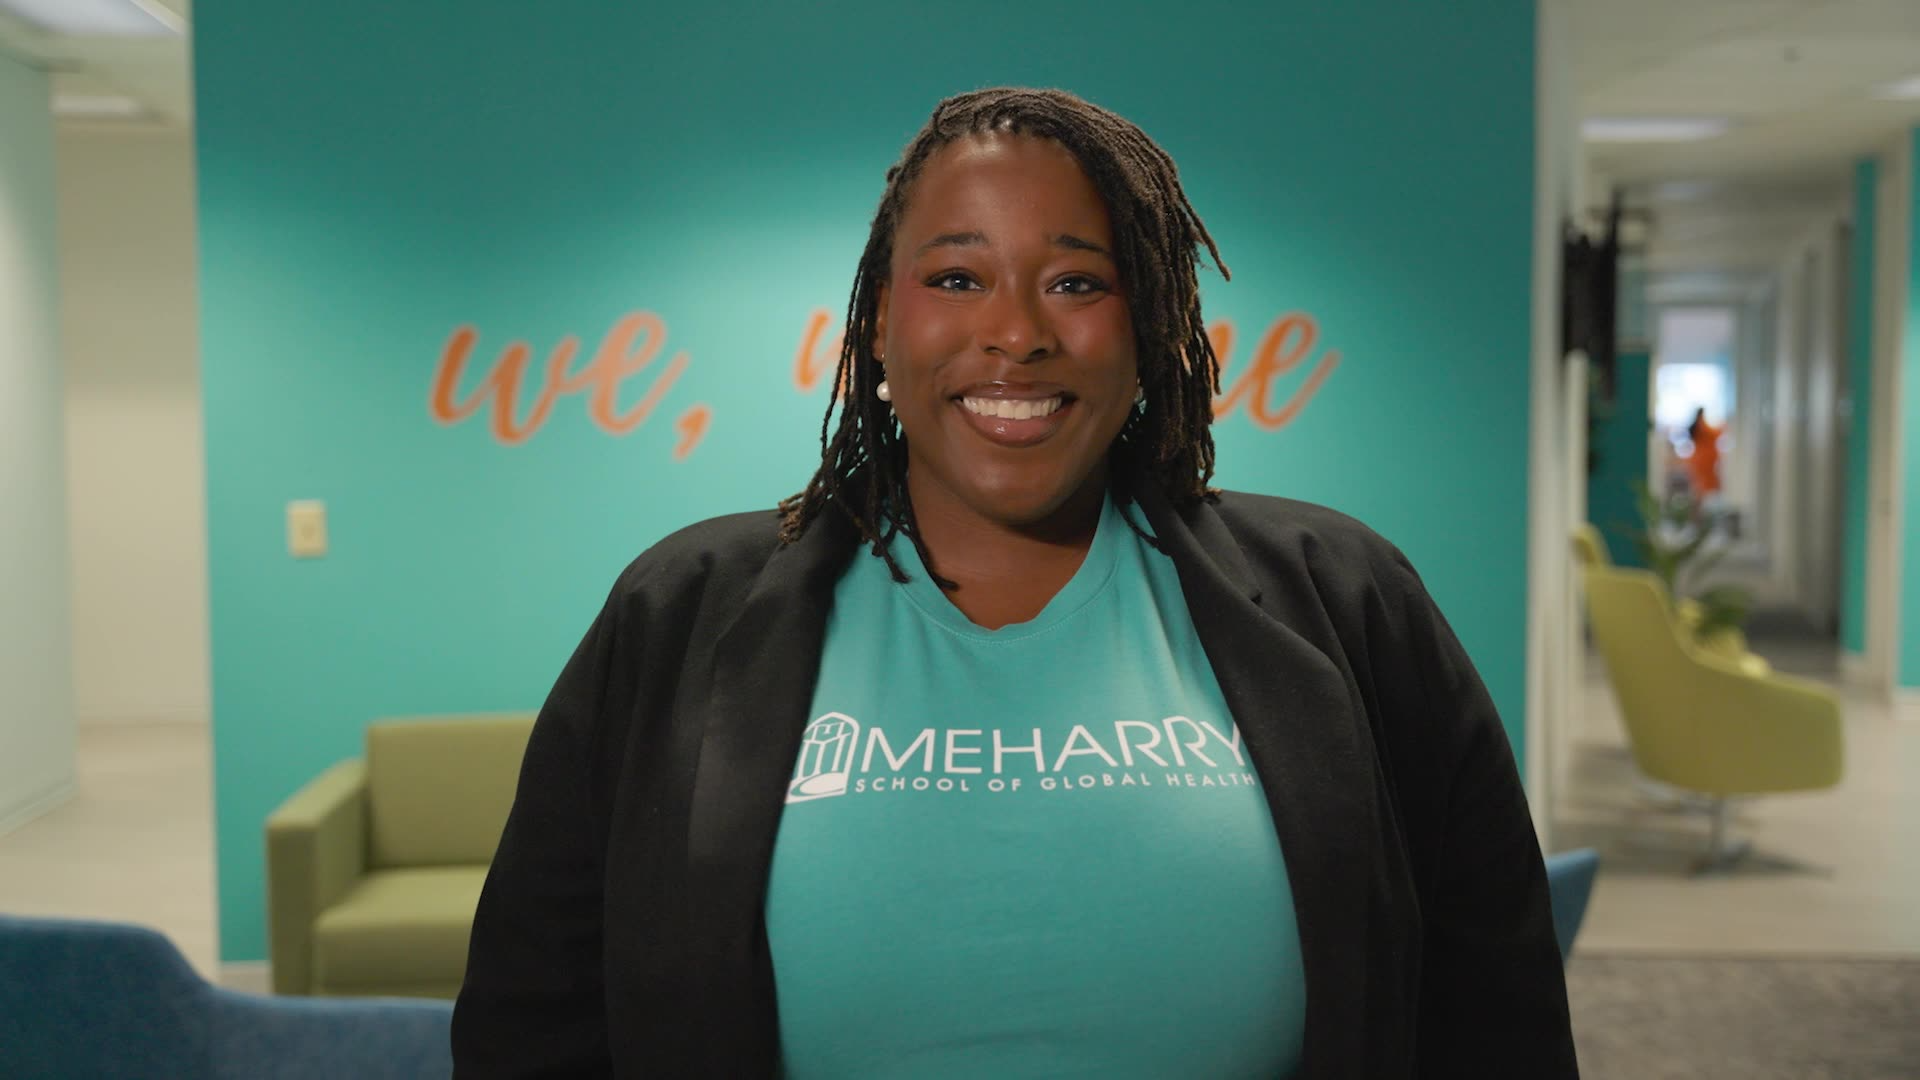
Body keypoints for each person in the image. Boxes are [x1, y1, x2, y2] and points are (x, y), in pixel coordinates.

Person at [451, 87, 1578, 1078]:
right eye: (957, 275)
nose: (1016, 332)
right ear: (881, 326)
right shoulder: (679, 612)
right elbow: (534, 1023)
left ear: (1151, 331)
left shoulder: (1351, 601)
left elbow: (1495, 1013)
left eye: (1077, 281)